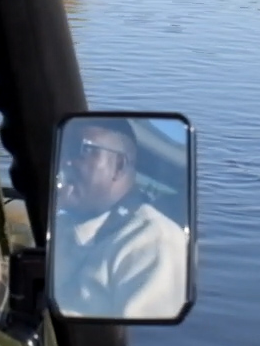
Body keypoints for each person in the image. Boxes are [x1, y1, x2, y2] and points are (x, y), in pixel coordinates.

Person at [53, 119, 186, 319]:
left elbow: (144, 340)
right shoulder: (63, 226)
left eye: (80, 150)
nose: (63, 162)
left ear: (119, 165)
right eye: (62, 151)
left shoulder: (153, 241)